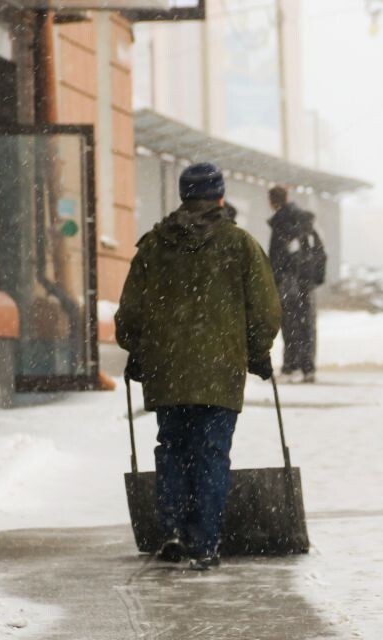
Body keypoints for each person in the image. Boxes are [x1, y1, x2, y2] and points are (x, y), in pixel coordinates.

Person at [115, 162, 281, 571]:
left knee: (172, 450)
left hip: (168, 372)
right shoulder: (239, 245)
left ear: (183, 196)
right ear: (220, 197)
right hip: (219, 373)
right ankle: (205, 542)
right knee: (210, 454)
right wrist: (256, 353)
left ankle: (172, 530)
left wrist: (141, 351)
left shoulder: (154, 246)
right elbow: (264, 311)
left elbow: (129, 315)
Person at [267, 185, 324, 383]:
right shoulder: (305, 222)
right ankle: (308, 368)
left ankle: (290, 368)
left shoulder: (281, 222)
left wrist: (276, 278)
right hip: (306, 283)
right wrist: (313, 279)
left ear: (273, 201)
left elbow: (277, 255)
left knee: (289, 325)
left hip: (288, 281)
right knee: (306, 325)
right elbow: (319, 252)